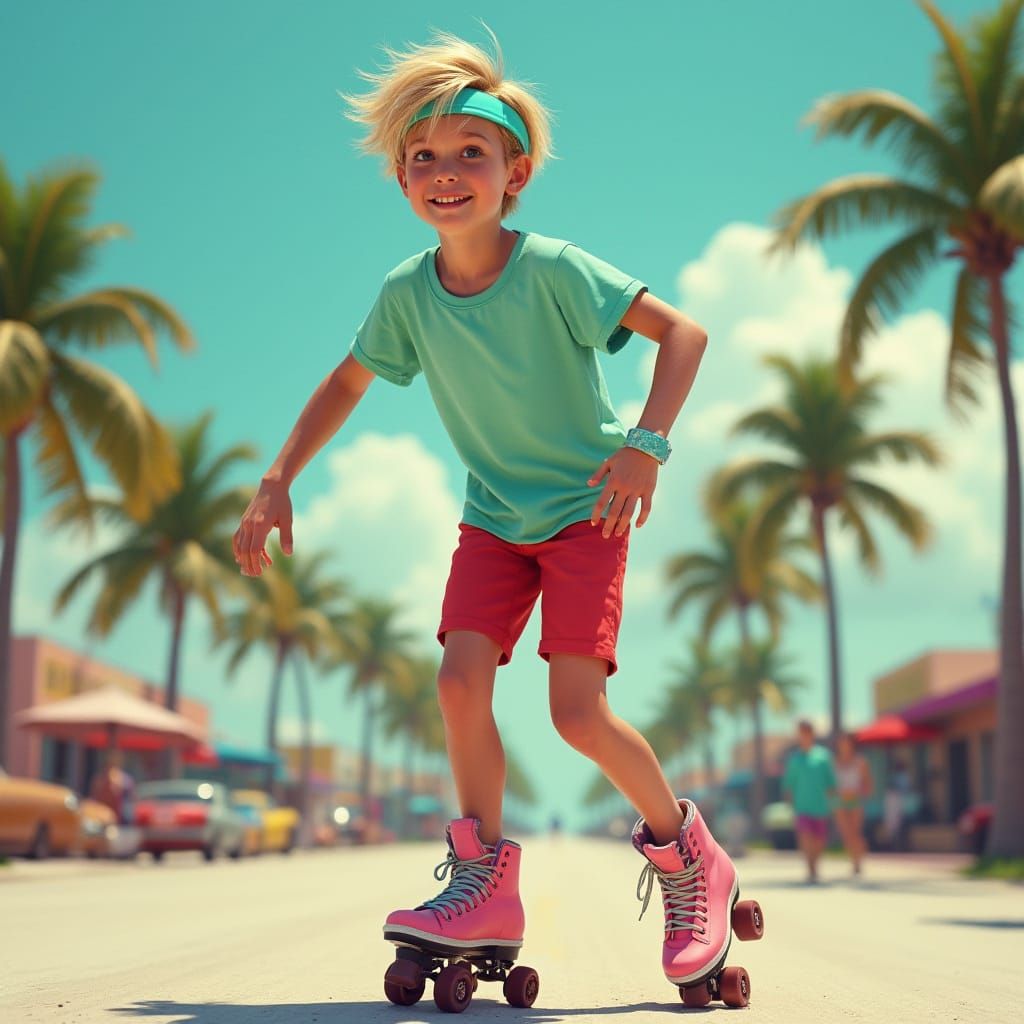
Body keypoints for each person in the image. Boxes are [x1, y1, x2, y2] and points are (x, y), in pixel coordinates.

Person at [233, 32, 723, 994]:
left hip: (588, 510)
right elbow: (346, 381)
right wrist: (277, 476)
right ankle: (484, 881)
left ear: (516, 173)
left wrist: (647, 445)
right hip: (495, 518)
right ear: (400, 178)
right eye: (423, 157)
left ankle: (688, 857)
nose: (445, 173)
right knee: (459, 684)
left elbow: (685, 334)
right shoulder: (407, 293)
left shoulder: (552, 269)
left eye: (471, 153)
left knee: (577, 714)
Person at [782, 720, 836, 883]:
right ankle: (810, 869)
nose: (804, 736)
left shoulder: (823, 757)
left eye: (807, 732)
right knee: (805, 838)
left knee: (819, 840)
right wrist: (790, 803)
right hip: (802, 807)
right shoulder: (795, 759)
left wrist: (833, 803)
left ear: (812, 734)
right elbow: (789, 785)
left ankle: (815, 864)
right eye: (801, 733)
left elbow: (830, 783)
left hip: (820, 807)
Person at [832, 732, 872, 875]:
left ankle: (857, 862)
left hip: (856, 800)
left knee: (855, 832)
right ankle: (853, 859)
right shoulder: (834, 761)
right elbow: (830, 784)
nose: (844, 745)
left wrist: (863, 796)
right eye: (841, 742)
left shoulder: (860, 761)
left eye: (846, 742)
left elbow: (867, 783)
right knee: (846, 834)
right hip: (839, 800)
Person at [88, 750, 136, 825]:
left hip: (118, 817)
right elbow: (95, 796)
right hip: (103, 815)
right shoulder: (101, 778)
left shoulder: (124, 779)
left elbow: (131, 797)